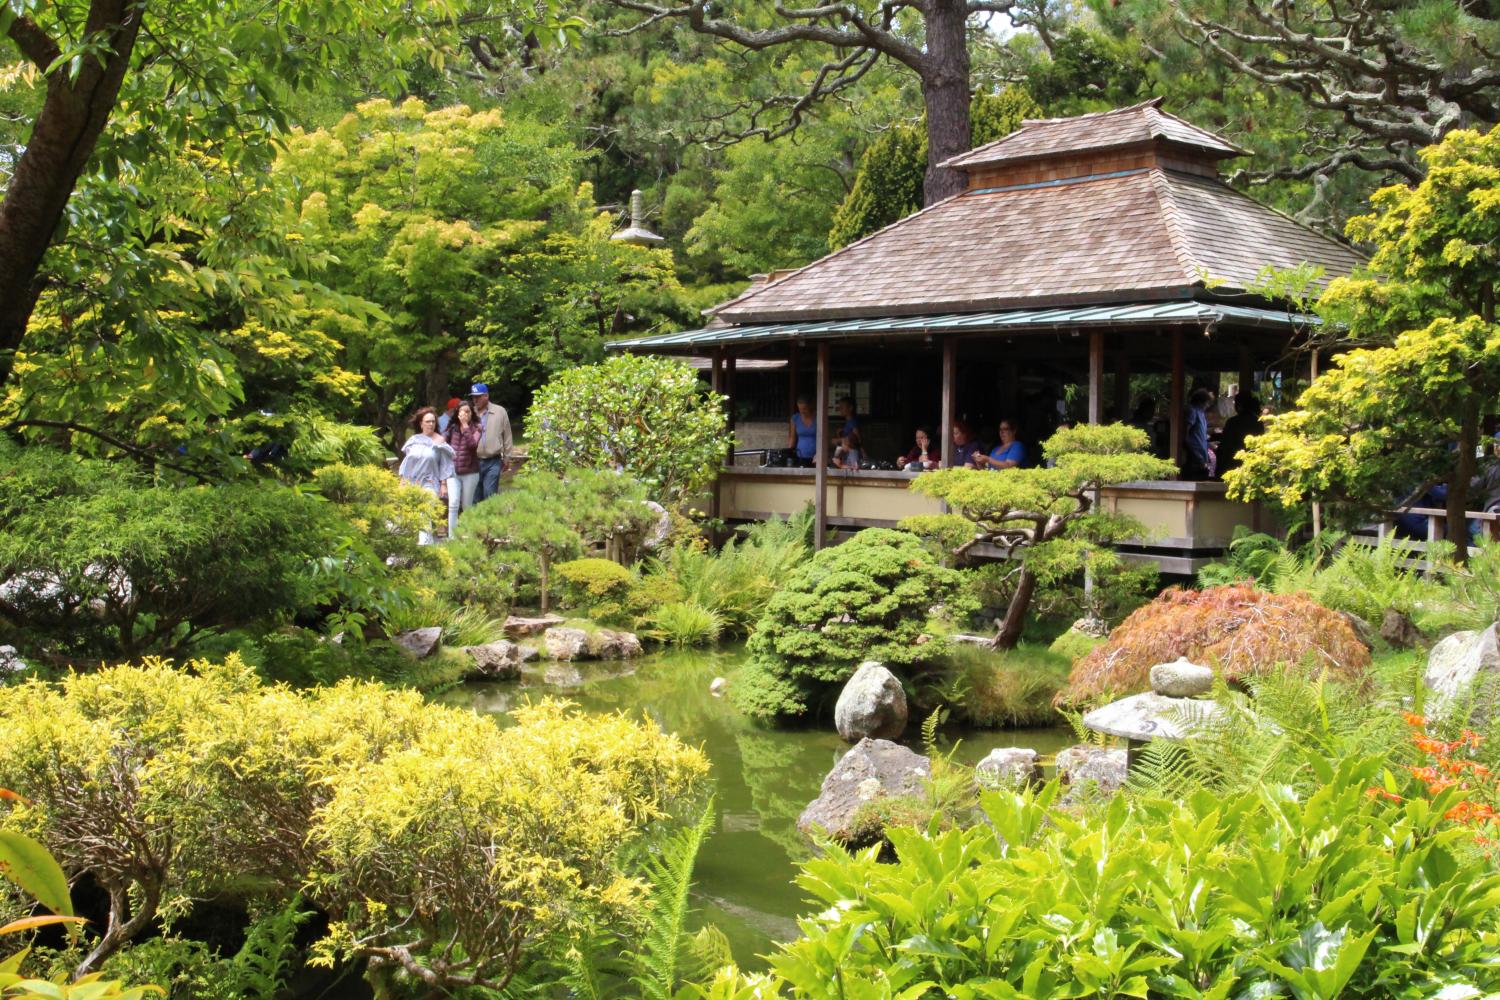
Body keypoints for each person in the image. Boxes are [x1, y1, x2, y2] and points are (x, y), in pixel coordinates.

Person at [399, 407, 456, 545]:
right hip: (412, 482)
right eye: (427, 421)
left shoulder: (440, 441)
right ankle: (413, 544)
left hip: (430, 482)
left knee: (425, 511)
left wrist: (443, 484)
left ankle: (424, 545)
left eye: (433, 421)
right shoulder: (413, 440)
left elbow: (445, 464)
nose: (431, 424)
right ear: (421, 424)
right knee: (410, 514)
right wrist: (402, 481)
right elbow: (407, 462)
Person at [471, 382, 512, 502]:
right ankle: (475, 520)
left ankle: (491, 520)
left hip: (493, 460)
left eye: (478, 396)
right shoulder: (470, 413)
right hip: (474, 461)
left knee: (489, 494)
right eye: (473, 396)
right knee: (475, 496)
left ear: (486, 396)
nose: (475, 399)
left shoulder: (499, 411)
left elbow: (507, 435)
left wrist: (507, 457)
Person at [445, 400, 482, 535]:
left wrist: (465, 426)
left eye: (468, 411)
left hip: (470, 472)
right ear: (457, 413)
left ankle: (468, 535)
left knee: (466, 505)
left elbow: (472, 445)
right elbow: (443, 441)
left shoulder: (477, 427)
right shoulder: (452, 427)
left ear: (472, 413)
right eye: (462, 411)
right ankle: (452, 538)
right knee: (453, 504)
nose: (465, 414)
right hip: (453, 472)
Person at [1216, 393, 1263, 476]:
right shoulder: (1258, 422)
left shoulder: (1233, 422)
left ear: (1239, 405)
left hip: (1233, 462)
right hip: (1251, 460)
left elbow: (1225, 444)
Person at [1182, 386, 1215, 479]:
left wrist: (1209, 444)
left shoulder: (1201, 413)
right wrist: (1195, 453)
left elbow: (1200, 436)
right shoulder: (1193, 410)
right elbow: (1186, 435)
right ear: (1201, 401)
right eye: (1207, 403)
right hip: (1194, 455)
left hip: (1201, 455)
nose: (1208, 406)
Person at [787, 396, 818, 466]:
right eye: (800, 409)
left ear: (810, 406)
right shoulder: (795, 418)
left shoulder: (818, 416)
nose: (802, 411)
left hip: (816, 456)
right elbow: (792, 437)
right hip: (800, 455)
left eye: (804, 409)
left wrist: (820, 453)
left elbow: (824, 437)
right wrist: (788, 452)